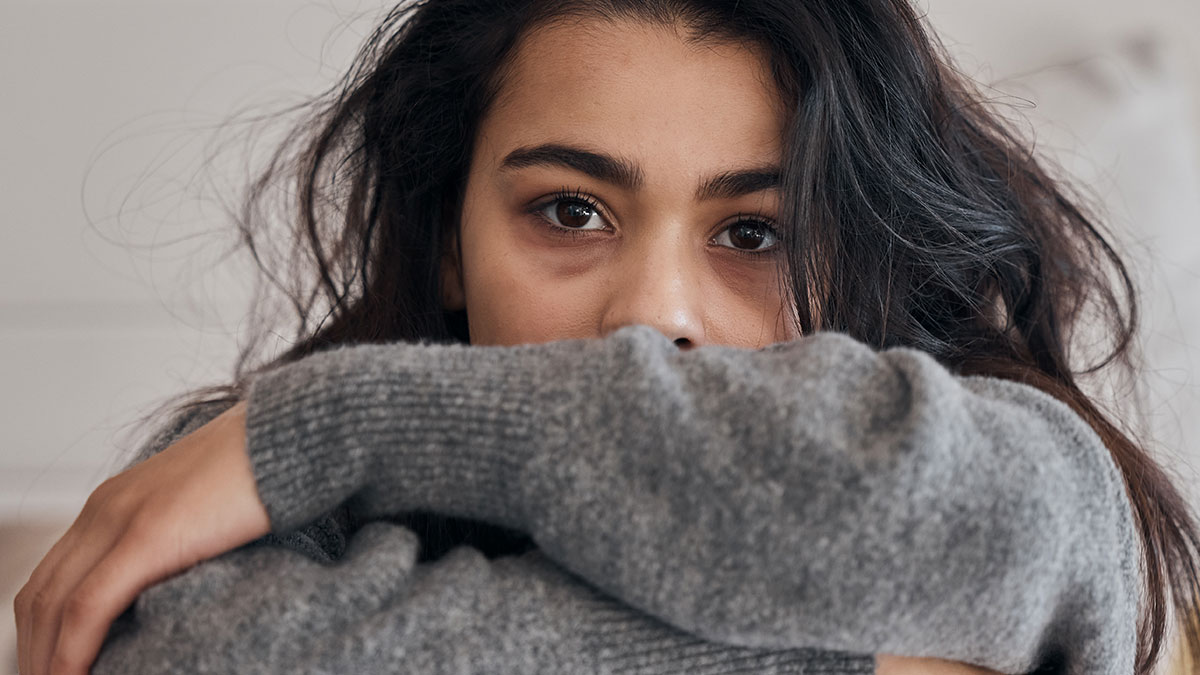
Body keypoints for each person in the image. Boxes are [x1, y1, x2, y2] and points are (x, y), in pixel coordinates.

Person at [14, 0, 1200, 673]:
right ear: (449, 236)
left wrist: (345, 423)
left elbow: (975, 522)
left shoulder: (1020, 454)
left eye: (754, 232)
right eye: (570, 212)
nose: (653, 313)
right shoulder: (216, 487)